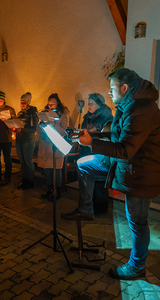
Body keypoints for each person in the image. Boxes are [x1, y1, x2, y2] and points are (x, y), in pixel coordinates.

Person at [61, 68, 160, 280]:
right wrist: (93, 134)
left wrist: (92, 142)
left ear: (124, 88)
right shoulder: (129, 105)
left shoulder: (142, 109)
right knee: (84, 163)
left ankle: (137, 266)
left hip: (141, 173)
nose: (109, 91)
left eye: (112, 87)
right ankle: (86, 208)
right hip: (124, 166)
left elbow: (126, 149)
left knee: (137, 222)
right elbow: (120, 132)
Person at [37, 93, 69, 199]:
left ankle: (57, 191)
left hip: (55, 145)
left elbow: (64, 131)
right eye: (49, 104)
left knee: (56, 169)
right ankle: (49, 189)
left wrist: (53, 124)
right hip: (45, 144)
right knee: (48, 169)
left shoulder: (63, 114)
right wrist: (42, 124)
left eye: (53, 104)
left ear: (57, 103)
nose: (51, 106)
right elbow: (39, 129)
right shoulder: (44, 113)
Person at [15, 92, 39, 190]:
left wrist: (22, 129)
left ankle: (30, 181)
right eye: (21, 102)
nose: (22, 105)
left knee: (28, 160)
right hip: (19, 138)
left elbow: (34, 128)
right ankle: (24, 180)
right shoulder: (20, 113)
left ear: (28, 102)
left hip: (28, 139)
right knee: (22, 160)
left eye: (24, 102)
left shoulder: (33, 112)